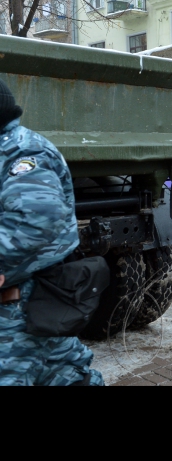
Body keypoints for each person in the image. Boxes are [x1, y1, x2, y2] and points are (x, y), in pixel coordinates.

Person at [0, 79, 103, 387]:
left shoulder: (21, 151)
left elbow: (37, 219)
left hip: (24, 298)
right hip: (28, 297)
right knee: (63, 370)